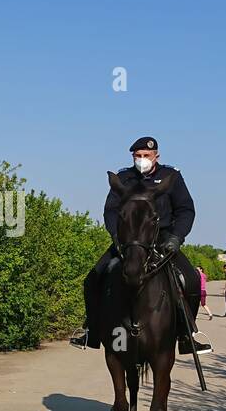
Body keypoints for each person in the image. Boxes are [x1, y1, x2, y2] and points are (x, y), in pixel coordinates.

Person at [71, 136, 212, 355]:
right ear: (132, 157)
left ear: (156, 156)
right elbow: (110, 211)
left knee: (191, 279)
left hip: (163, 239)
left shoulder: (171, 176)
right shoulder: (123, 178)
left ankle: (187, 336)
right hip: (127, 241)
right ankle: (92, 331)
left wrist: (177, 237)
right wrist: (117, 237)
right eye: (138, 156)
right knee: (93, 278)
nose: (142, 159)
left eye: (146, 155)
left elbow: (186, 210)